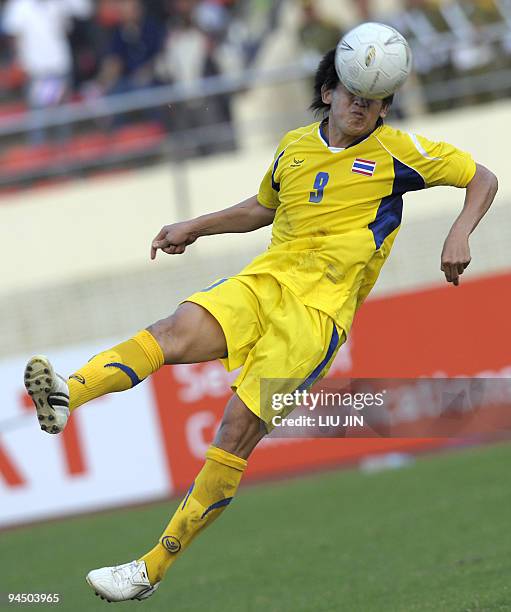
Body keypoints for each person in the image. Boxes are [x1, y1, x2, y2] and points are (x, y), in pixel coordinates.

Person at [23, 45, 498, 602]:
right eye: (353, 94)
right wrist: (195, 227)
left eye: (375, 101)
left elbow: (482, 178)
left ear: (384, 110)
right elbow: (263, 207)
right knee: (172, 329)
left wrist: (460, 231)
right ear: (328, 93)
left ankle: (149, 568)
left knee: (233, 434)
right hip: (262, 283)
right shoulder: (294, 148)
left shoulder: (401, 153)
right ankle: (66, 396)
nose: (362, 106)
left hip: (315, 318)